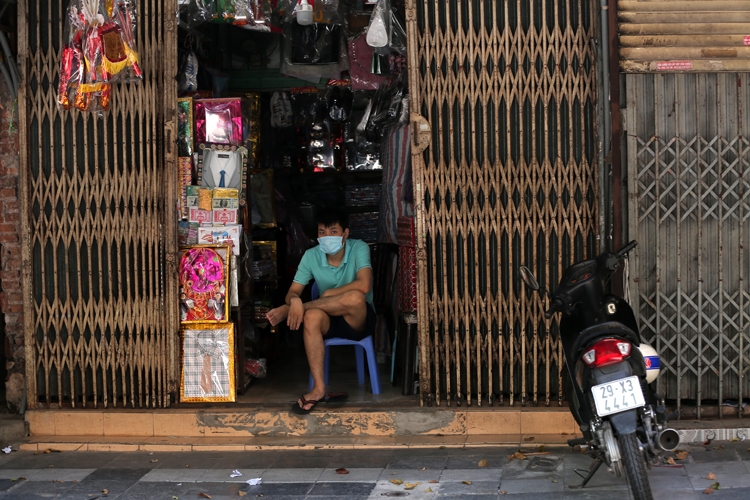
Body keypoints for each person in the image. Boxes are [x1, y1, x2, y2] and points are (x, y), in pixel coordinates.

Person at [266, 207, 376, 414]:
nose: (327, 237)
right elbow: (292, 292)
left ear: (345, 233)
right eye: (322, 233)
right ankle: (318, 388)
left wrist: (326, 295)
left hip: (357, 320)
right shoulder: (311, 256)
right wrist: (294, 301)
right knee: (312, 316)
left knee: (355, 297)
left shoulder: (359, 248)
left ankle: (290, 310)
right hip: (328, 318)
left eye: (333, 232)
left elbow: (364, 285)